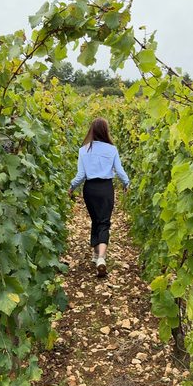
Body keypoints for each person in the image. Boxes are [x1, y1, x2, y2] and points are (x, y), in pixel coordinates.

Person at [68, 117, 129, 277]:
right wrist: (126, 183)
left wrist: (72, 186)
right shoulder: (112, 149)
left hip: (90, 189)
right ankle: (101, 257)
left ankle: (96, 255)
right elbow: (119, 170)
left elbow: (81, 175)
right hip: (106, 188)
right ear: (105, 131)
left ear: (92, 131)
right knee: (104, 222)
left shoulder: (84, 150)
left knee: (95, 220)